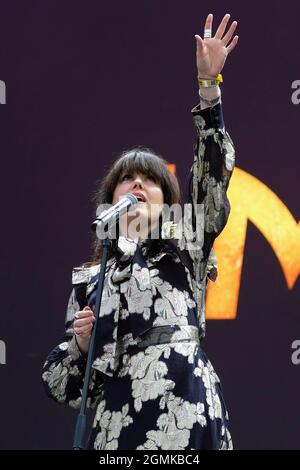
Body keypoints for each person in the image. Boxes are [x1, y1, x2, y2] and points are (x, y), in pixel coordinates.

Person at [42, 13, 239, 450]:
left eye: (149, 180)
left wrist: (210, 88)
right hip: (117, 423)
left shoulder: (186, 241)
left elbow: (211, 178)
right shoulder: (90, 280)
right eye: (125, 180)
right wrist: (79, 344)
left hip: (186, 406)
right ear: (110, 201)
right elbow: (65, 388)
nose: (136, 184)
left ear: (167, 201)